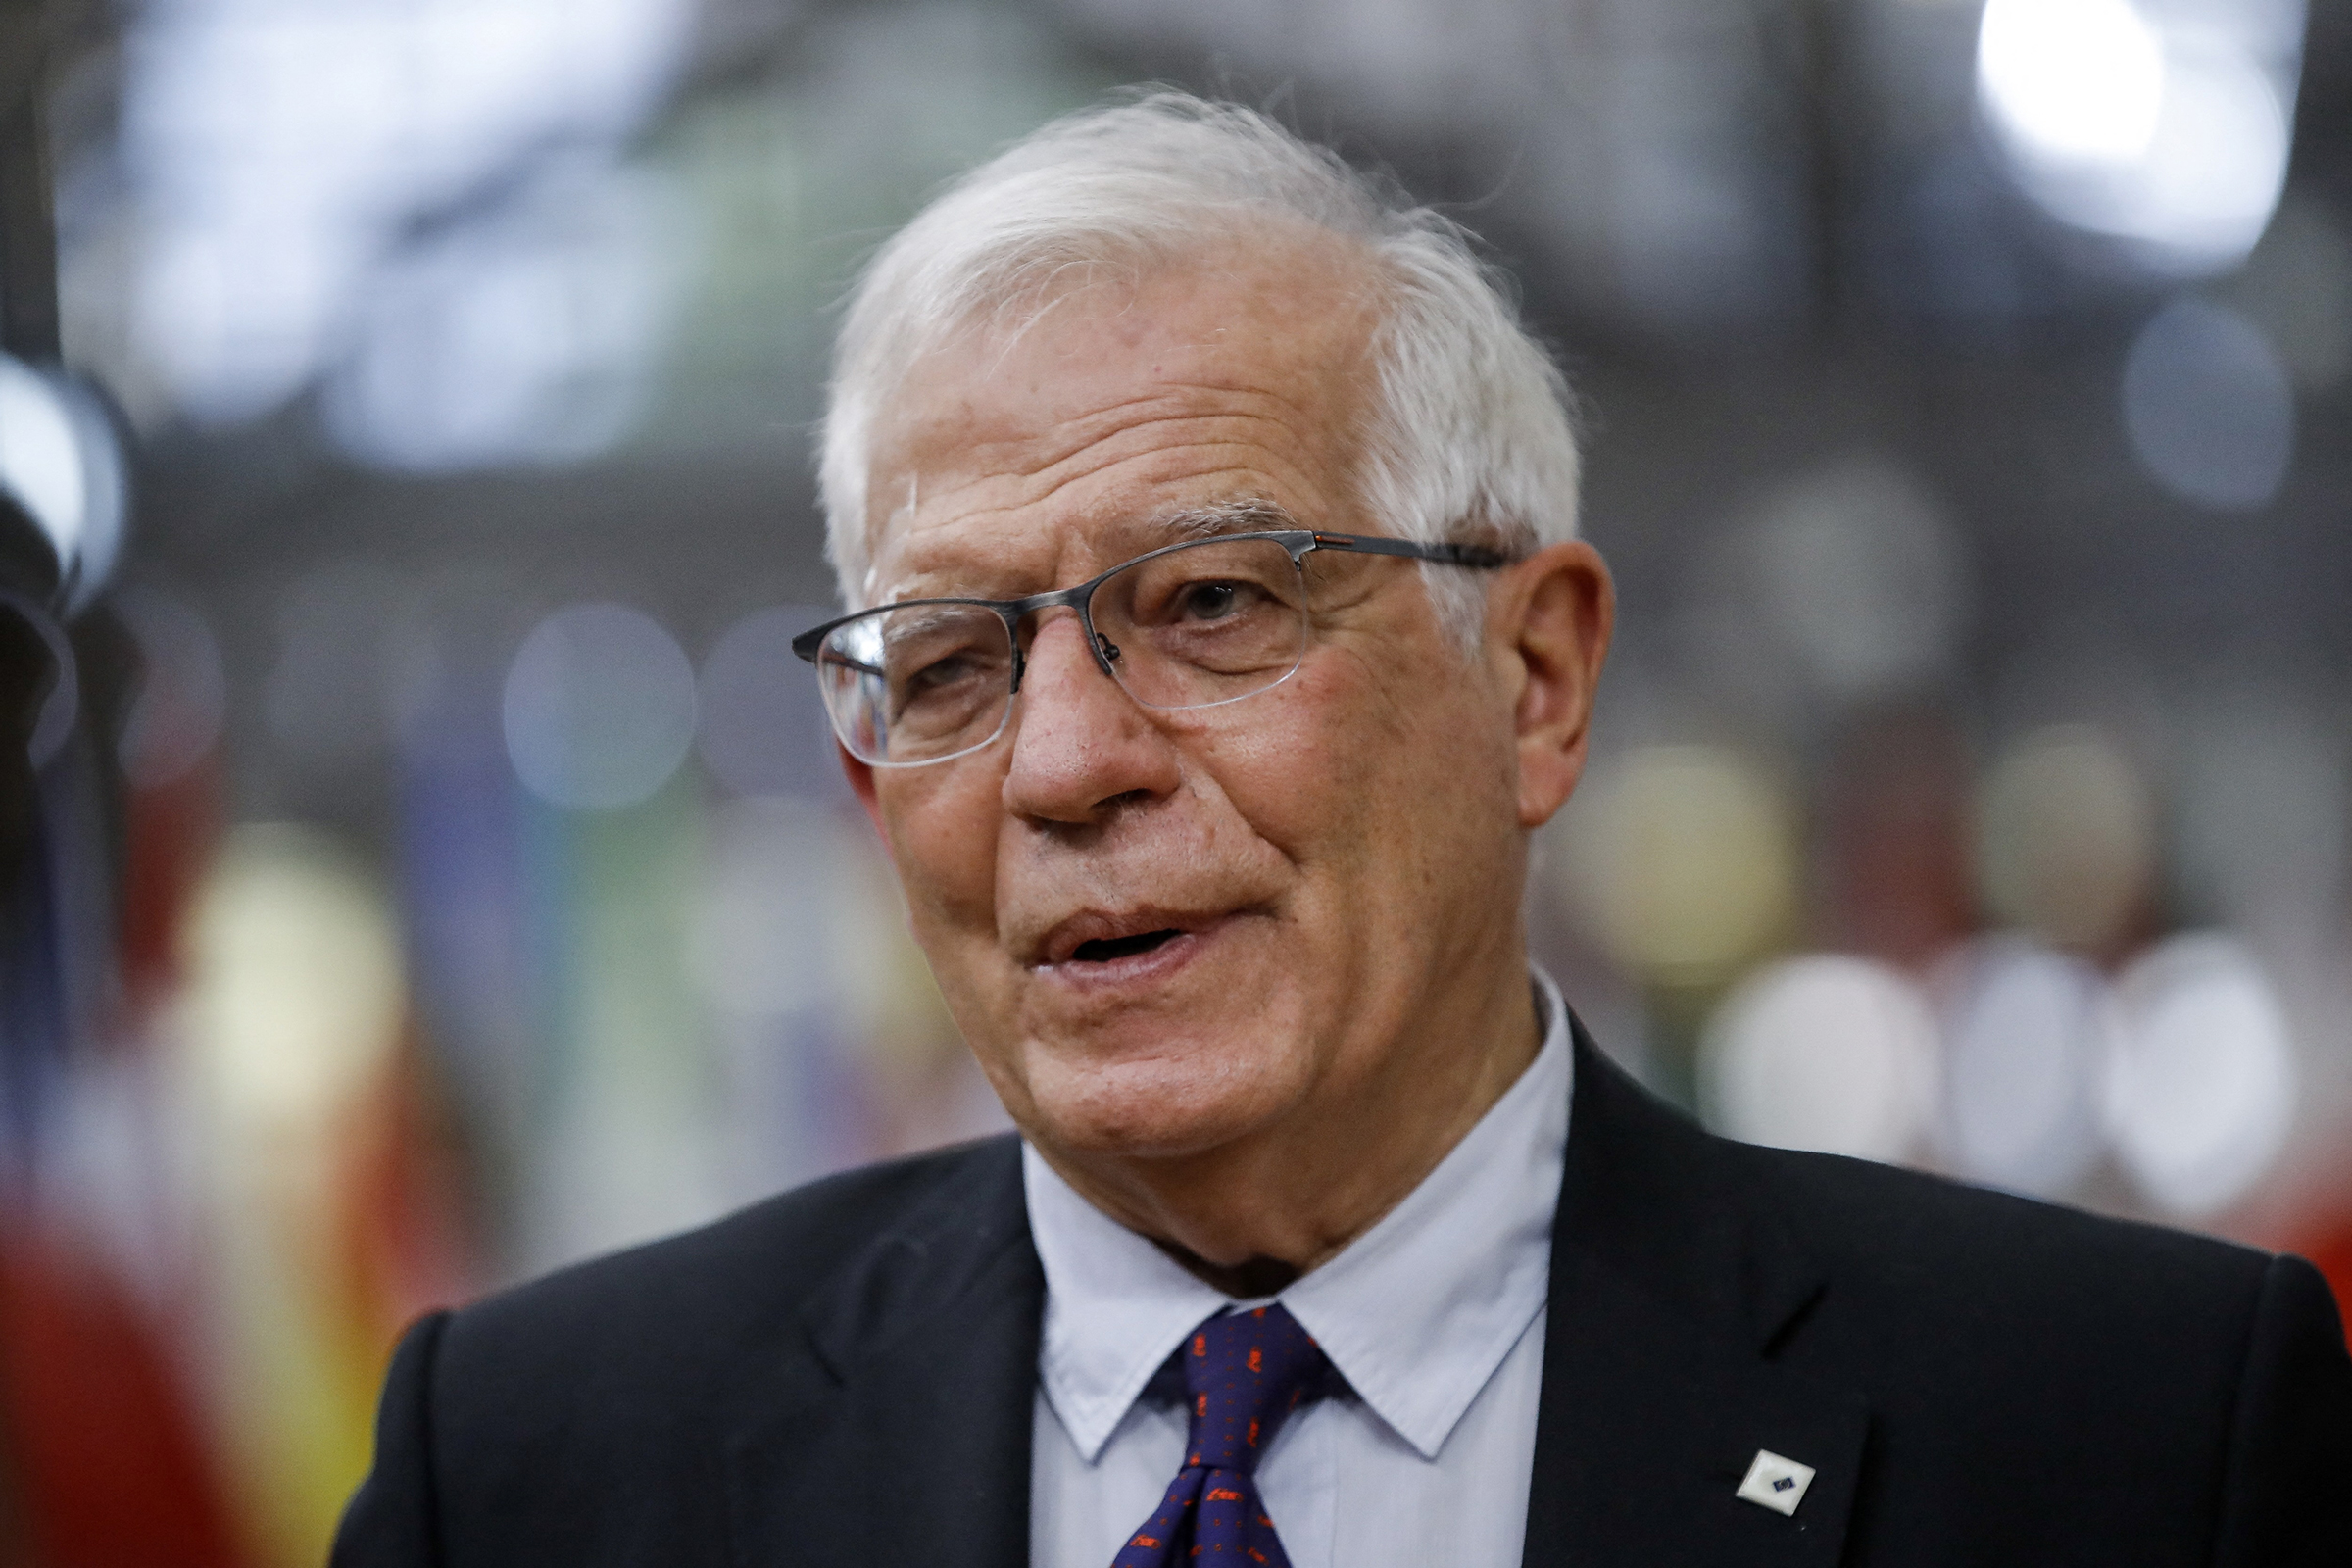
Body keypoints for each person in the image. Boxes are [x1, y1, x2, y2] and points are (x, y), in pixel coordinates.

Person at [333, 93, 2352, 1567]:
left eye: (1211, 603)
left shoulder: (2126, 1438)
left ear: (1535, 679)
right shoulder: (524, 1469)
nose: (1059, 764)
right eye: (949, 661)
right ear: (873, 785)